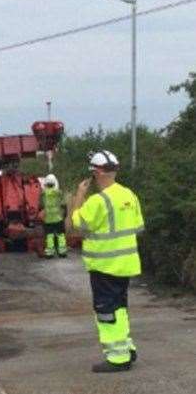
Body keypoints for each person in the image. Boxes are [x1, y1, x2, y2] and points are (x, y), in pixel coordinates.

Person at [69, 150, 144, 373]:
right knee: (119, 308)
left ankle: (118, 357)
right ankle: (127, 348)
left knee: (106, 311)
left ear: (96, 173)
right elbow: (138, 227)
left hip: (104, 266)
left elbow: (76, 225)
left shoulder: (97, 201)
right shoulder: (129, 195)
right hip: (126, 265)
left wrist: (79, 196)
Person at [40, 173, 68, 258]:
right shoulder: (59, 193)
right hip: (58, 218)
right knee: (61, 235)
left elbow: (41, 206)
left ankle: (50, 253)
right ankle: (62, 252)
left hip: (48, 219)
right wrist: (65, 214)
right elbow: (63, 204)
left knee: (49, 236)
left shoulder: (43, 194)